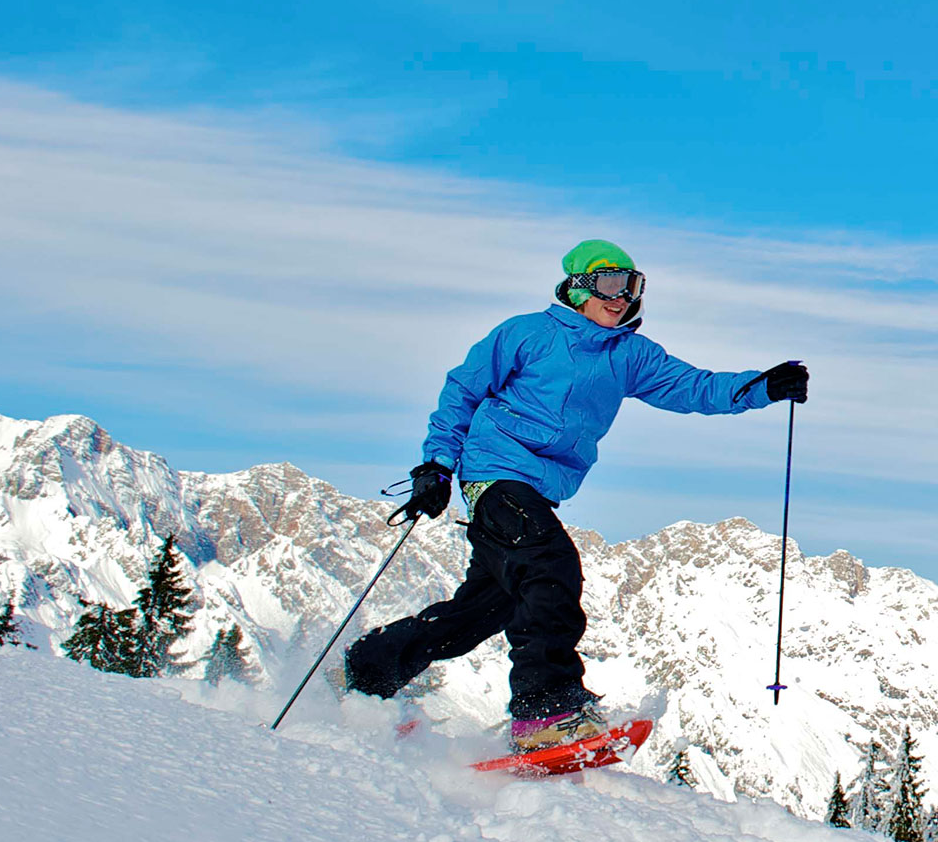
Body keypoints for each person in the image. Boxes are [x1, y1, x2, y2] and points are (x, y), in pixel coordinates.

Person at [343, 239, 807, 752]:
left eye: (633, 286)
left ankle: (369, 670)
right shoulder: (527, 334)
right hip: (496, 473)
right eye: (610, 283)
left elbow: (693, 388)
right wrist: (436, 464)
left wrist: (765, 386)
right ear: (577, 286)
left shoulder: (630, 354)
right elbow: (463, 392)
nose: (622, 297)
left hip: (539, 489)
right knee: (549, 567)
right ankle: (546, 712)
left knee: (481, 614)